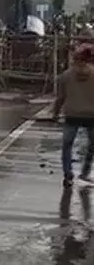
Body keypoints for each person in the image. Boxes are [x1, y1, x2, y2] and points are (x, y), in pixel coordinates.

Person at [53, 45, 94, 187]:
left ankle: (68, 174)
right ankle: (85, 172)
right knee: (91, 145)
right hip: (91, 116)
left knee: (67, 145)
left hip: (72, 115)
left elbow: (60, 98)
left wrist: (55, 114)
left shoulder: (65, 76)